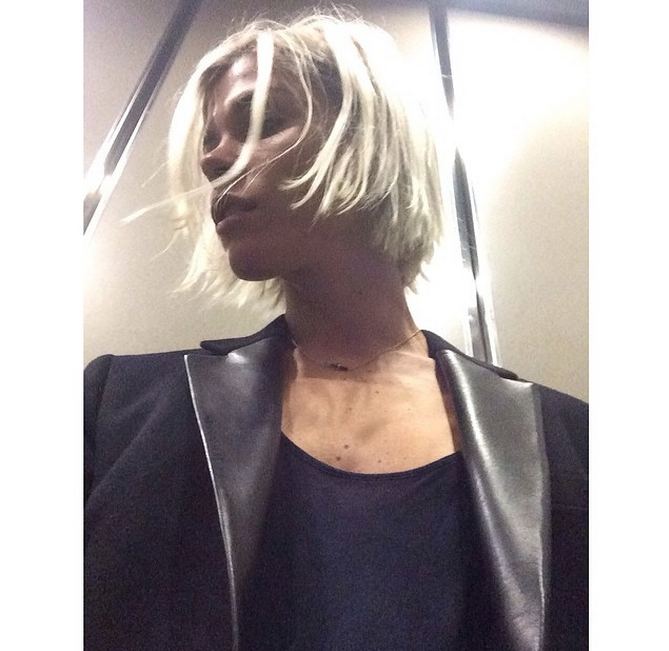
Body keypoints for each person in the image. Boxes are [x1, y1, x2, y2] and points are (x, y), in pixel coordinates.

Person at [84, 11, 588, 651]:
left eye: (263, 120)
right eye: (210, 139)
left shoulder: (569, 445)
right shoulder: (116, 411)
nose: (212, 158)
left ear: (371, 139)